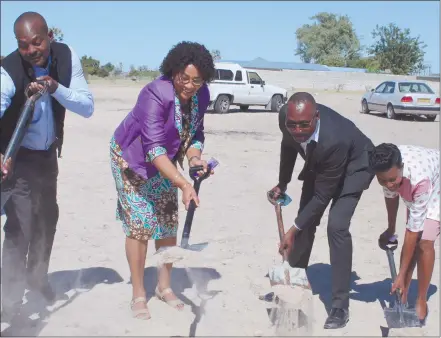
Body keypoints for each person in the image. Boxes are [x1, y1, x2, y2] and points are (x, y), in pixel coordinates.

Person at [109, 41, 216, 320]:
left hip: (166, 162)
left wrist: (194, 159)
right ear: (173, 71)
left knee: (167, 221)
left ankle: (164, 287)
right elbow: (153, 148)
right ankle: (138, 293)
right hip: (131, 161)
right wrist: (183, 183)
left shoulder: (202, 95)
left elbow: (196, 134)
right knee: (140, 224)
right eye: (184, 78)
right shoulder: (155, 93)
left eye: (197, 80)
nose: (190, 85)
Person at [0, 12, 94, 320]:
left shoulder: (66, 56)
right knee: (18, 226)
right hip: (17, 158)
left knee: (46, 218)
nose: (30, 51)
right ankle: (10, 301)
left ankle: (37, 279)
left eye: (36, 43)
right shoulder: (9, 71)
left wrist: (55, 88)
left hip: (48, 155)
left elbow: (86, 107)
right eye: (23, 45)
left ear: (49, 37)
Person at [268, 92, 374, 329]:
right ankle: (292, 286)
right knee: (304, 222)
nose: (297, 130)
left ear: (316, 117)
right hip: (322, 161)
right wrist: (282, 184)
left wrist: (291, 230)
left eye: (304, 125)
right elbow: (288, 147)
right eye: (292, 125)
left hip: (356, 166)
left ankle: (339, 306)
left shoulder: (334, 138)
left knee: (336, 225)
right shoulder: (288, 118)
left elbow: (322, 196)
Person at [369, 143, 439, 325]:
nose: (388, 184)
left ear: (401, 167)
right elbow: (391, 197)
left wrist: (399, 274)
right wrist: (391, 229)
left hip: (436, 185)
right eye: (382, 181)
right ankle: (404, 291)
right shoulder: (385, 167)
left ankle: (421, 299)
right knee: (412, 242)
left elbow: (412, 232)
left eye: (392, 179)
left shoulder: (419, 180)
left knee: (424, 242)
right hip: (414, 183)